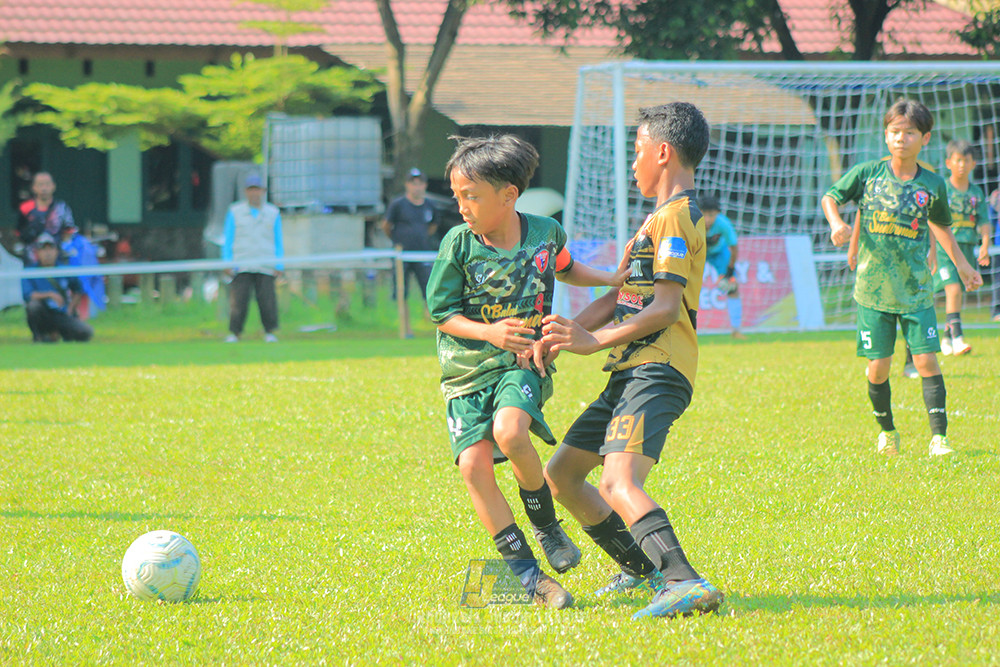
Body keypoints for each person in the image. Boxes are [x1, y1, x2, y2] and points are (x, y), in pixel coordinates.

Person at [426, 134, 631, 609]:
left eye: (471, 196)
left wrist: (608, 277)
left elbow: (567, 268)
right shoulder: (458, 244)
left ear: (509, 195)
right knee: (475, 467)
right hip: (465, 373)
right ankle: (531, 580)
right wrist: (490, 332)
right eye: (457, 196)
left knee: (511, 430)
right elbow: (442, 313)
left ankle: (546, 527)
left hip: (523, 362)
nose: (461, 207)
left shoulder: (544, 232)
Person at [540, 102, 725, 620]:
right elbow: (619, 296)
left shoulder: (677, 217)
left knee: (617, 482)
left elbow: (665, 307)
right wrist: (562, 332)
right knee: (562, 475)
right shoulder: (652, 222)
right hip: (630, 369)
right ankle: (640, 571)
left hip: (659, 367)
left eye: (638, 151)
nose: (633, 163)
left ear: (663, 152)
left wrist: (592, 343)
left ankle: (684, 581)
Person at [821, 98, 982, 458]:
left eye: (910, 133)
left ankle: (939, 438)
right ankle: (887, 431)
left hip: (916, 290)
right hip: (872, 290)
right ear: (885, 135)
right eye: (895, 132)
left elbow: (941, 226)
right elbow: (831, 198)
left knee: (926, 360)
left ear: (925, 138)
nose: (901, 139)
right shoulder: (867, 174)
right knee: (878, 368)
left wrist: (963, 266)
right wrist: (837, 225)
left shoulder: (933, 184)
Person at [930, 139, 991, 356]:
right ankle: (957, 337)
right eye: (958, 160)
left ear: (974, 163)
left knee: (958, 294)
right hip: (945, 250)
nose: (962, 165)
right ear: (948, 163)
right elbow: (932, 220)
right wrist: (931, 250)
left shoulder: (976, 193)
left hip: (966, 249)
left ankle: (945, 339)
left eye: (966, 160)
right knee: (953, 289)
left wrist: (984, 245)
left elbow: (984, 221)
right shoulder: (942, 189)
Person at [222, 174, 284, 343]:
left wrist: (279, 264)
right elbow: (228, 238)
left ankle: (269, 331)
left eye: (257, 190)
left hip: (265, 262)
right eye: (251, 190)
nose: (254, 194)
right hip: (241, 261)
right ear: (245, 192)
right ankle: (235, 332)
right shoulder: (235, 211)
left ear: (263, 191)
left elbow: (278, 239)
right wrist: (227, 261)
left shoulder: (272, 212)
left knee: (267, 300)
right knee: (238, 301)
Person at [381, 168, 437, 338]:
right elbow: (386, 226)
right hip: (402, 256)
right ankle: (406, 329)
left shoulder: (430, 206)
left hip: (422, 254)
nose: (417, 187)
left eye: (420, 184)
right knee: (401, 291)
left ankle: (435, 327)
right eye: (413, 183)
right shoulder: (398, 205)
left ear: (425, 186)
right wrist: (398, 241)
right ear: (407, 185)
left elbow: (433, 226)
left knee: (429, 290)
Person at [20, 232, 93, 343]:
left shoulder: (64, 270)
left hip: (61, 314)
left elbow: (78, 289)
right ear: (37, 253)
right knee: (33, 306)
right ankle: (40, 335)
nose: (47, 253)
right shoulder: (30, 272)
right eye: (44, 249)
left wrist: (71, 308)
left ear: (56, 251)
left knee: (85, 332)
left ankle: (59, 333)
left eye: (51, 249)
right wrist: (50, 294)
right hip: (43, 314)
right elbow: (28, 295)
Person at [698, 195, 745, 338]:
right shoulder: (692, 223)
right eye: (703, 214)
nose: (707, 219)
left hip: (719, 254)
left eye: (711, 215)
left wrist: (729, 272)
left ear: (717, 214)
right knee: (684, 286)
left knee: (733, 287)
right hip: (698, 253)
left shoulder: (723, 224)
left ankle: (736, 330)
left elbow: (734, 248)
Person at [16, 172, 75, 251]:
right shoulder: (25, 207)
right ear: (33, 187)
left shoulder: (62, 207)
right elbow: (18, 232)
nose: (44, 188)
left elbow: (69, 230)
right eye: (40, 185)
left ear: (53, 186)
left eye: (47, 184)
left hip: (57, 253)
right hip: (32, 253)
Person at [60, 222, 106, 320]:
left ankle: (83, 316)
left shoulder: (81, 242)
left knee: (82, 294)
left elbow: (88, 260)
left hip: (83, 278)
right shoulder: (58, 244)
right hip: (66, 278)